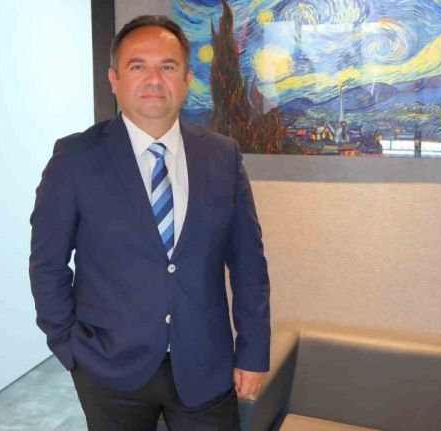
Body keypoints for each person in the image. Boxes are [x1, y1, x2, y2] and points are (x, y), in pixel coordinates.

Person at [30, 15, 270, 430]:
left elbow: (249, 263)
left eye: (168, 66)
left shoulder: (223, 156)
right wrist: (69, 347)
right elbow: (47, 264)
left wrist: (252, 351)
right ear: (114, 79)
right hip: (109, 369)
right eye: (138, 66)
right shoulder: (75, 159)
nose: (154, 79)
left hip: (206, 363)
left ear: (187, 78)